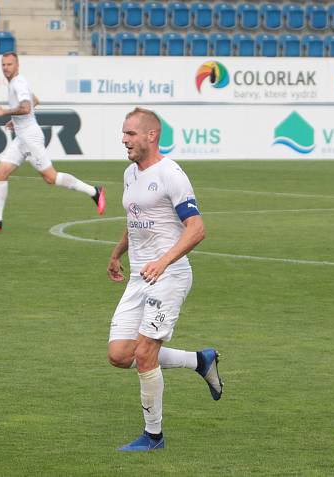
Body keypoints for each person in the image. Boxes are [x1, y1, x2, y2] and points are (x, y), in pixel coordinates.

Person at [106, 107, 223, 452]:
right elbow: (135, 219)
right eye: (123, 133)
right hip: (141, 276)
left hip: (169, 275)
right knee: (119, 354)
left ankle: (153, 436)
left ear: (151, 136)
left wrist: (163, 261)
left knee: (144, 354)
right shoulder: (130, 173)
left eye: (130, 133)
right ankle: (200, 360)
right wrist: (117, 253)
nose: (124, 139)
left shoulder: (172, 174)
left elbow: (197, 229)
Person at [0, 52, 105, 231]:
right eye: (3, 65)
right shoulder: (17, 83)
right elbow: (35, 101)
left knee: (51, 178)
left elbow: (26, 107)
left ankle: (94, 192)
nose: (6, 68)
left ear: (17, 66)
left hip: (30, 137)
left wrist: (5, 112)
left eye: (9, 64)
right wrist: (15, 119)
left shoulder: (18, 83)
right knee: (0, 173)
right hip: (22, 136)